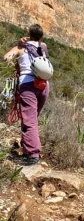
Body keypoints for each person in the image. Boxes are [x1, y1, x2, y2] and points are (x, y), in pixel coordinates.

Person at [4, 24, 50, 166]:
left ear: (28, 33)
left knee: (29, 120)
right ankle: (28, 144)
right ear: (40, 35)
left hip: (28, 84)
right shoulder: (43, 47)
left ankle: (32, 155)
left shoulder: (20, 48)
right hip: (44, 85)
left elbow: (6, 58)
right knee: (33, 117)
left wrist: (17, 51)